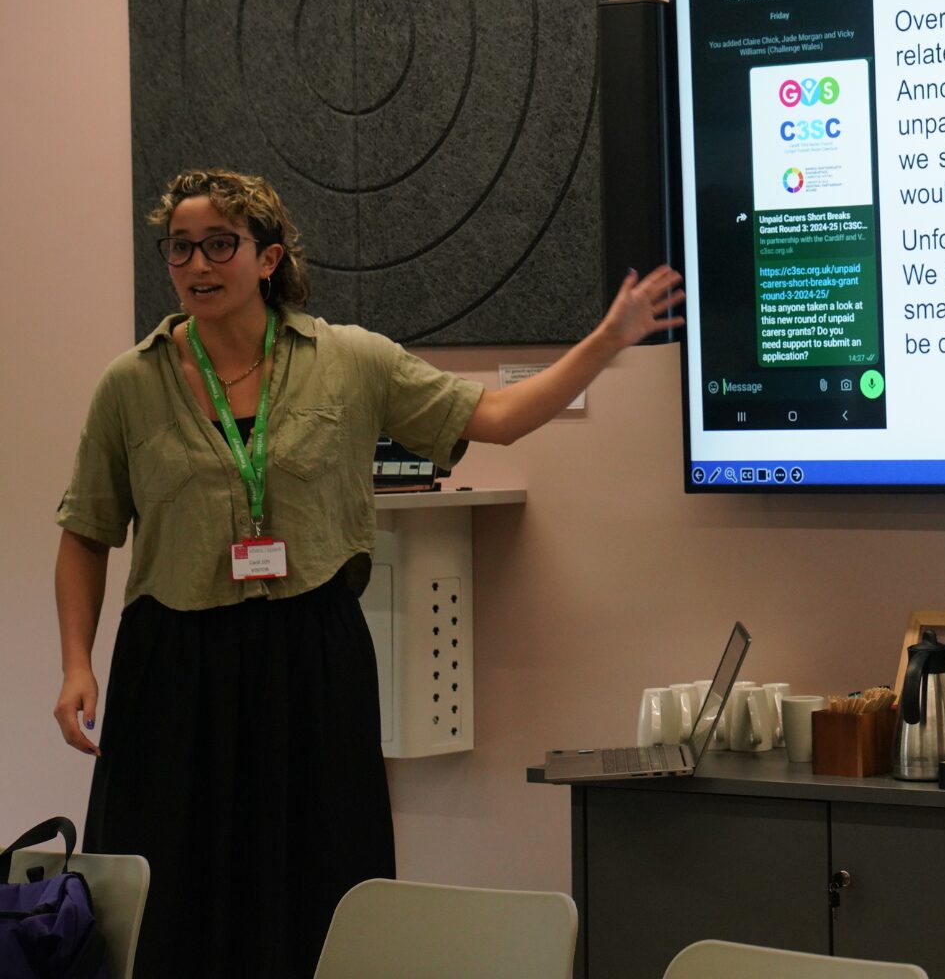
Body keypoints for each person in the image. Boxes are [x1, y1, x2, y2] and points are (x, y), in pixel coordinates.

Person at [51, 168, 683, 979]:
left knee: (316, 883)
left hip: (308, 656)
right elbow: (86, 530)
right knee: (173, 891)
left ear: (268, 257)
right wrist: (76, 661)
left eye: (219, 245)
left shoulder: (348, 360)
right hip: (175, 667)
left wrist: (606, 340)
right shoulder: (129, 386)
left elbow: (496, 419)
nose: (197, 265)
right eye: (180, 249)